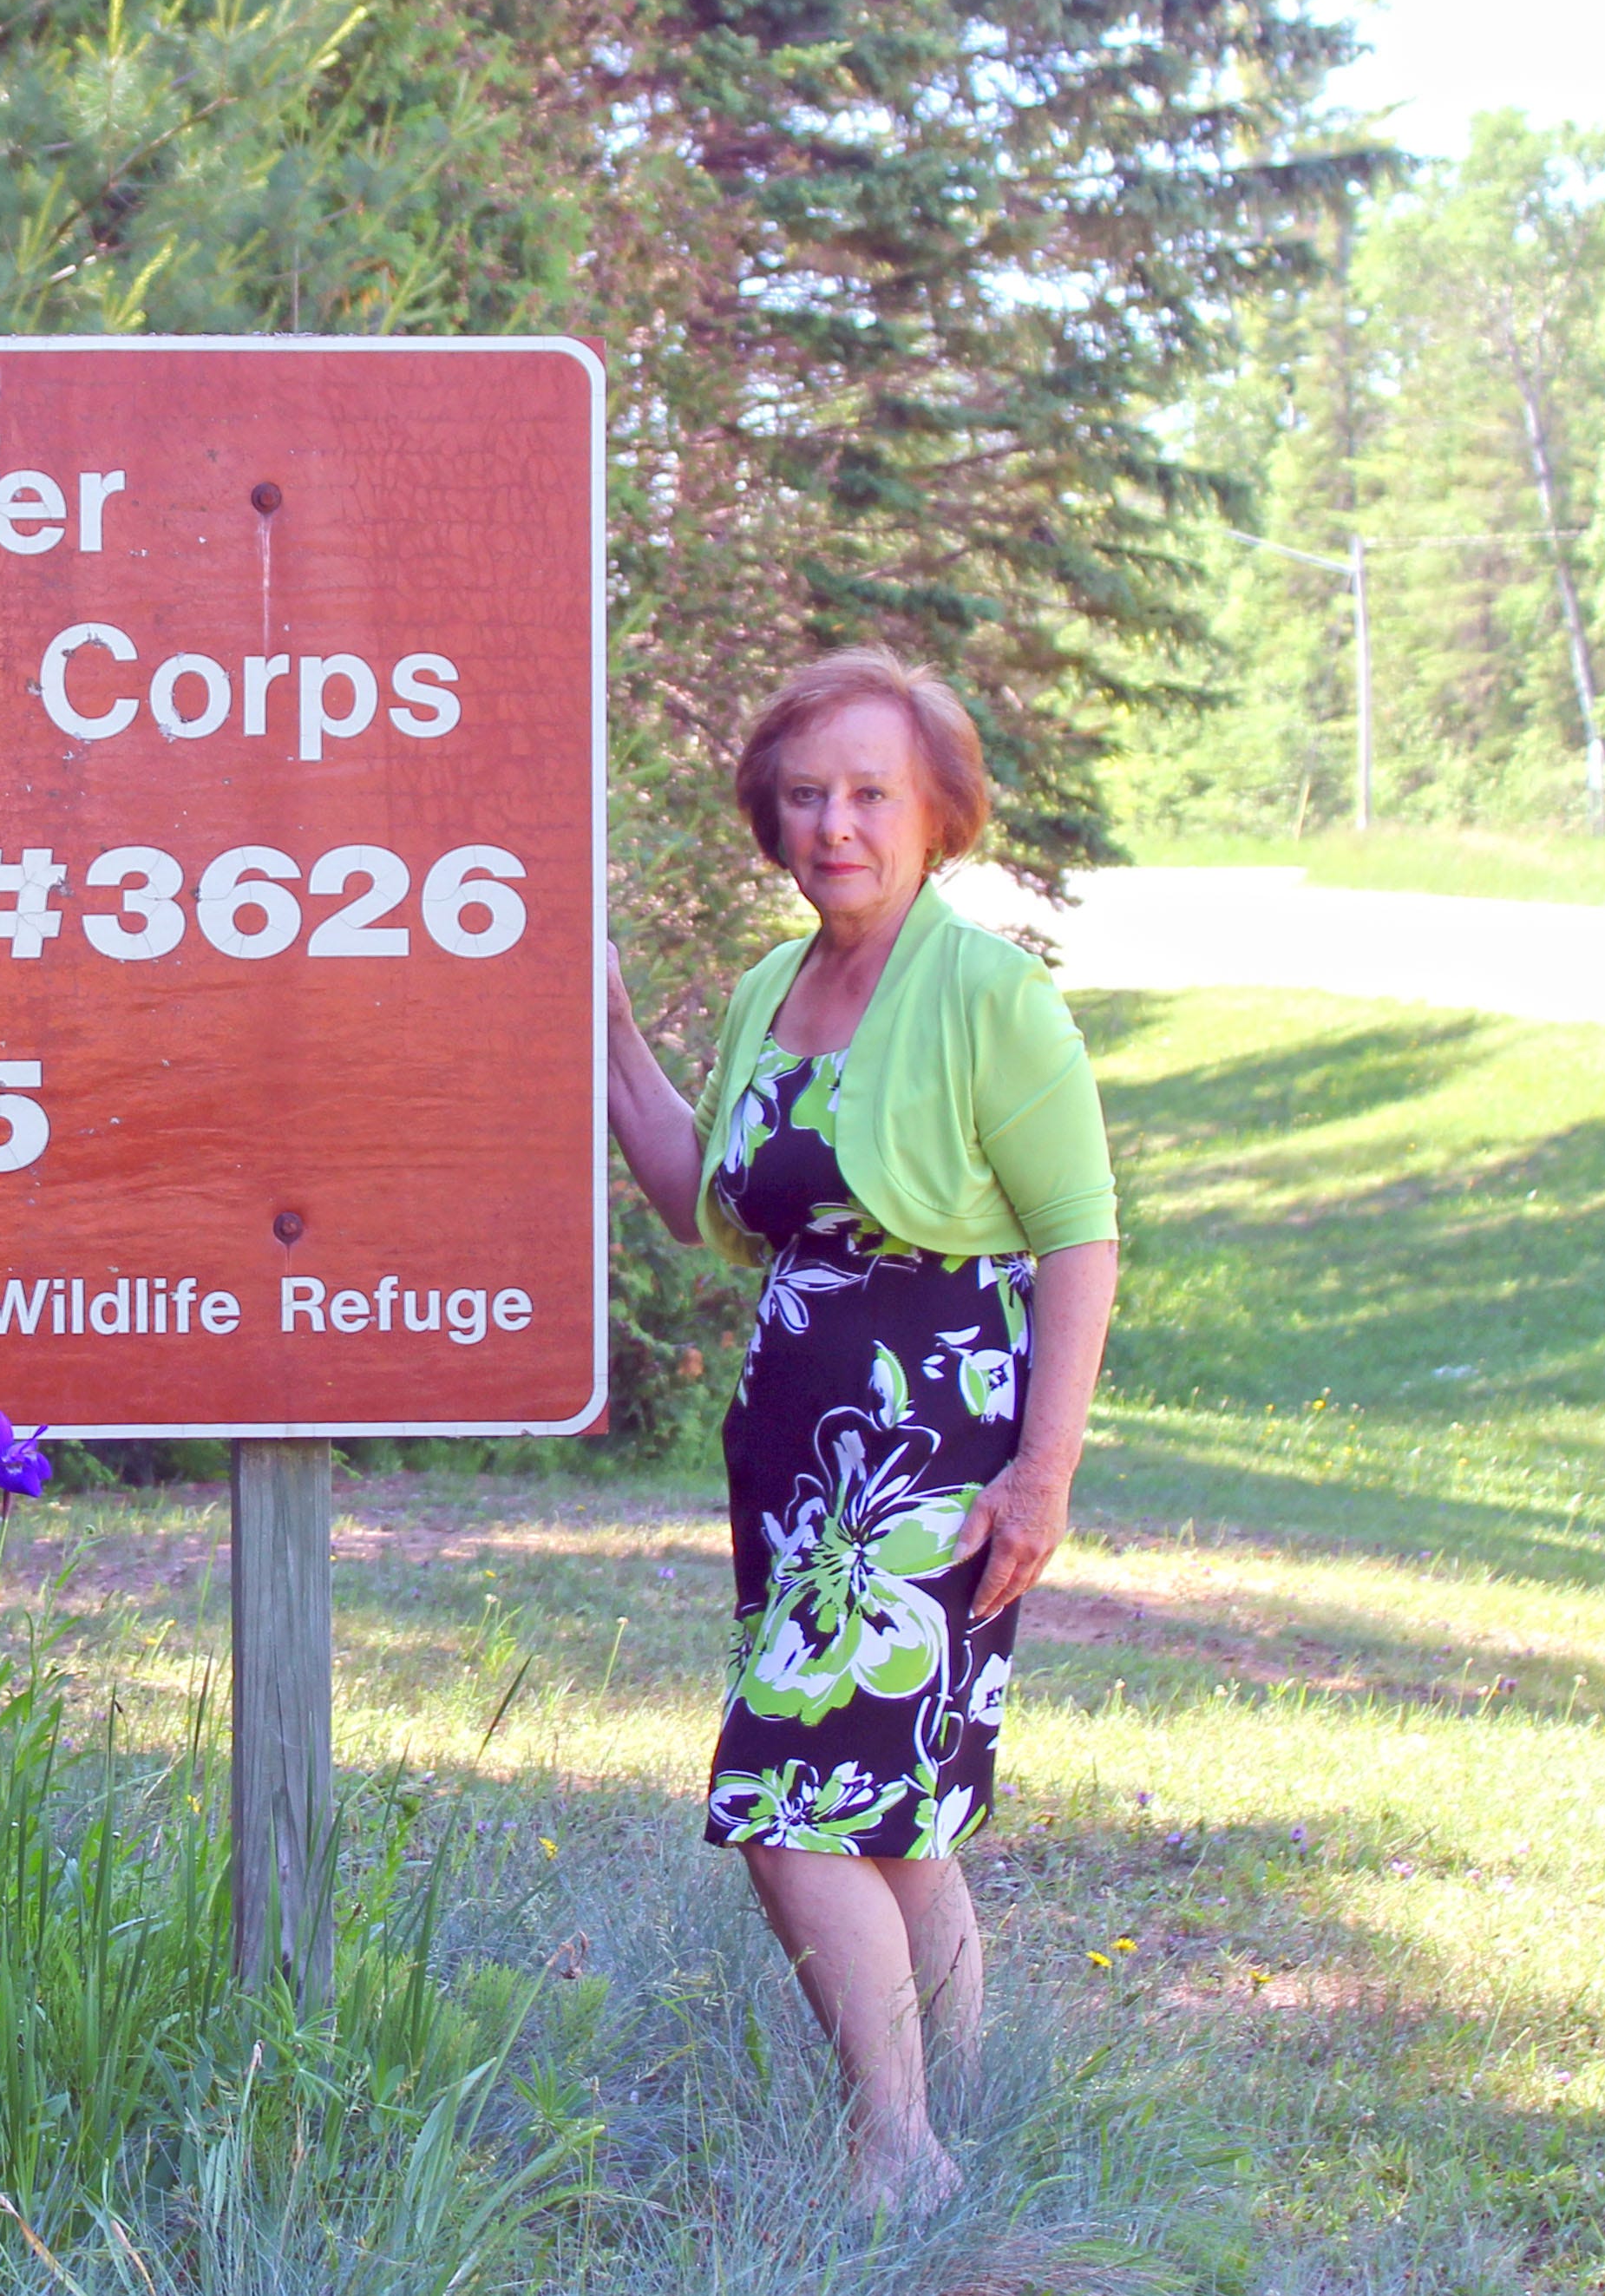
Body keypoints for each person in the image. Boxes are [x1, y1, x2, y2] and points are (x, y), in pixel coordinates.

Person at [602, 646, 1122, 2205]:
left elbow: (1081, 1232)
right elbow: (704, 1202)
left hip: (935, 1439)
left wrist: (1045, 1470)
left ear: (937, 810)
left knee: (789, 1801)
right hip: (796, 1448)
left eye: (871, 792)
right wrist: (606, 1026)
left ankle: (897, 2149)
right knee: (894, 1809)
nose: (837, 821)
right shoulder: (776, 986)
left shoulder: (987, 991)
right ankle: (977, 2120)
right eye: (809, 793)